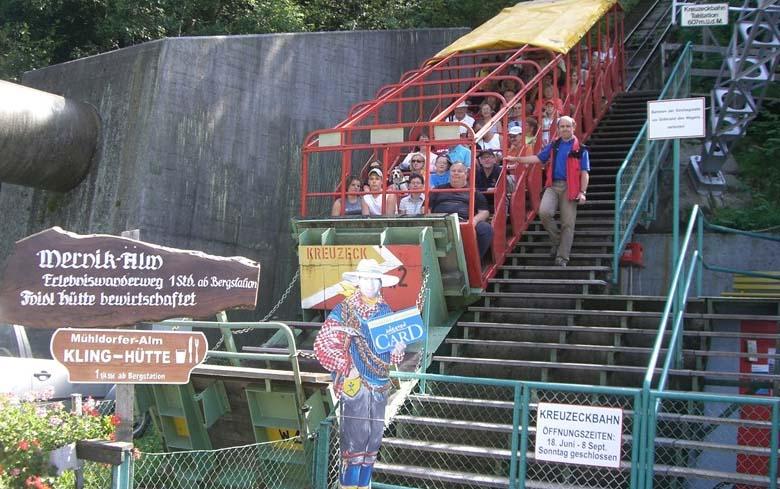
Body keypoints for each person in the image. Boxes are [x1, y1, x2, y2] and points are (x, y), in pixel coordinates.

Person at [313, 259, 406, 489]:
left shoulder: (386, 312)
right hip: (356, 384)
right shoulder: (345, 310)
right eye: (366, 279)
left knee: (373, 441)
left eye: (375, 280)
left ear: (380, 283)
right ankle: (348, 486)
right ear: (358, 282)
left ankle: (364, 486)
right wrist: (348, 366)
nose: (371, 284)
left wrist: (398, 349)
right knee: (354, 442)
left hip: (380, 385)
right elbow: (322, 343)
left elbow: (391, 355)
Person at [514, 116, 590, 267]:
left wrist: (583, 192)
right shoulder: (554, 144)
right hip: (553, 185)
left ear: (573, 127)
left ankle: (562, 257)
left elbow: (584, 172)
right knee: (544, 212)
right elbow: (538, 158)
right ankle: (557, 240)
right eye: (562, 126)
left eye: (568, 126)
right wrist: (517, 159)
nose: (565, 129)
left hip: (571, 187)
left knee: (568, 223)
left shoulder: (581, 149)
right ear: (558, 129)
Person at [429, 162, 493, 258]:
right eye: (453, 171)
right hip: (439, 221)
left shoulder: (474, 192)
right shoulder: (437, 189)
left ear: (466, 174)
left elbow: (484, 212)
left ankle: (473, 261)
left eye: (459, 171)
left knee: (485, 228)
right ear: (449, 173)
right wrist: (430, 219)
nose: (456, 173)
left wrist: (473, 221)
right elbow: (426, 207)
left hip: (463, 222)